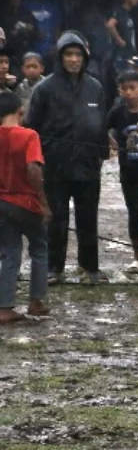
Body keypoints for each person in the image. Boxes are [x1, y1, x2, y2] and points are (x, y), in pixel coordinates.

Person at [24, 31, 107, 286]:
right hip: (55, 165)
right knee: (56, 218)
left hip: (88, 165)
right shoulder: (44, 88)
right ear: (60, 58)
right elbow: (32, 127)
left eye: (78, 54)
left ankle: (90, 267)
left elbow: (101, 125)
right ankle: (53, 267)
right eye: (69, 54)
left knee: (88, 217)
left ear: (84, 57)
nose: (73, 60)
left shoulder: (95, 87)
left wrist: (101, 153)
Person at [0, 91, 50, 323]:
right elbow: (33, 168)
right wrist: (43, 201)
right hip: (26, 203)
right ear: (20, 110)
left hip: (2, 203)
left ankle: (5, 307)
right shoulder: (29, 135)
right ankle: (36, 301)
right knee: (39, 248)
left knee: (10, 253)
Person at [106, 69, 138, 274]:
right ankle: (137, 258)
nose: (129, 93)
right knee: (134, 213)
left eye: (133, 88)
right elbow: (102, 129)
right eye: (124, 89)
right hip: (128, 172)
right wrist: (113, 144)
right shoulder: (117, 113)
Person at [105, 0, 138, 75]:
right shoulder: (120, 11)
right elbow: (110, 25)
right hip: (121, 55)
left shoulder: (130, 13)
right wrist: (120, 41)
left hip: (130, 53)